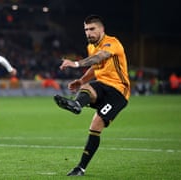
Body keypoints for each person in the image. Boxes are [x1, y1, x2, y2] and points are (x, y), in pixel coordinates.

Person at [53, 15, 130, 176]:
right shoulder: (91, 47)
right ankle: (77, 105)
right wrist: (80, 81)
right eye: (86, 30)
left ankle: (81, 166)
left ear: (102, 29)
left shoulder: (112, 43)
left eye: (92, 29)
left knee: (96, 124)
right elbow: (95, 67)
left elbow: (99, 57)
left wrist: (75, 63)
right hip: (102, 86)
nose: (88, 33)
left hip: (118, 91)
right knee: (89, 91)